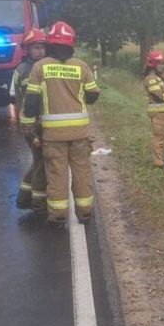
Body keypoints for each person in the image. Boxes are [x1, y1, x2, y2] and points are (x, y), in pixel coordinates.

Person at [20, 21, 100, 225]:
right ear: (71, 44)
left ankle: (58, 216)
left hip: (53, 136)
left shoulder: (39, 67)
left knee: (57, 174)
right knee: (82, 171)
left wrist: (29, 127)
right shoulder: (81, 66)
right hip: (80, 134)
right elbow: (92, 95)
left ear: (50, 44)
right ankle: (85, 212)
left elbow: (31, 102)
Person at [13, 28, 47, 211]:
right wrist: (34, 131)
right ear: (27, 50)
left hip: (33, 123)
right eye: (35, 48)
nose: (40, 51)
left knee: (38, 160)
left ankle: (23, 196)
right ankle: (39, 201)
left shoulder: (30, 68)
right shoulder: (28, 71)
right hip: (33, 125)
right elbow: (32, 102)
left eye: (42, 47)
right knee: (42, 161)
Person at [143, 50, 164, 167]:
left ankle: (160, 159)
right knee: (159, 137)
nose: (162, 66)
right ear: (153, 65)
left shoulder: (158, 78)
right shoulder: (151, 79)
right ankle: (158, 162)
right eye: (160, 64)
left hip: (163, 112)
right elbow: (160, 96)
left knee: (163, 136)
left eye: (163, 64)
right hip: (158, 112)